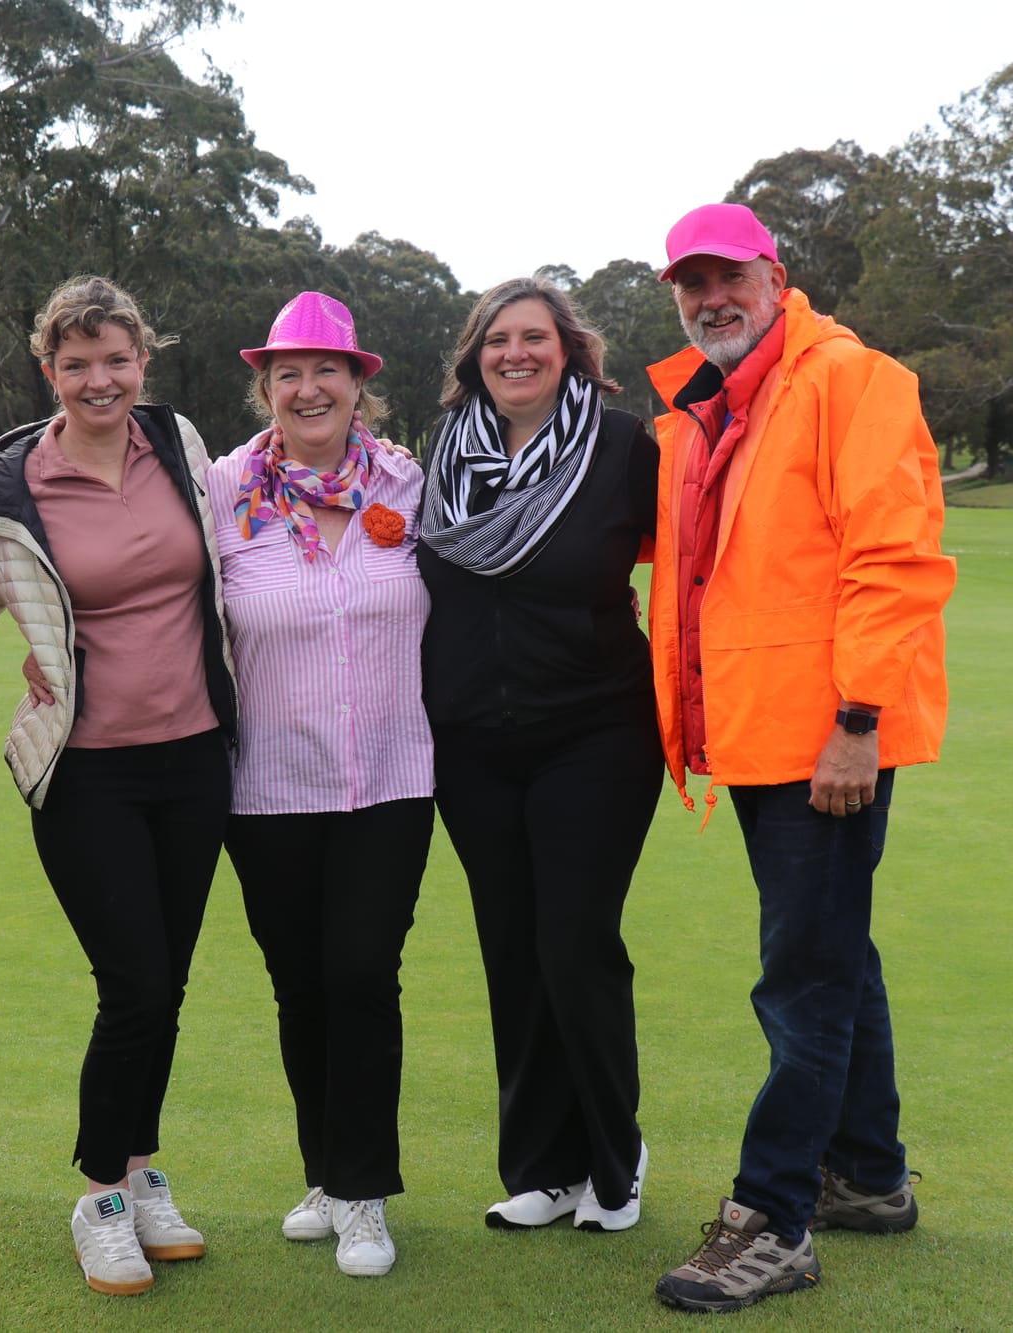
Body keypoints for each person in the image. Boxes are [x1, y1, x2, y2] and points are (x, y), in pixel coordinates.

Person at [643, 203, 955, 1314]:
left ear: (775, 278)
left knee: (804, 978)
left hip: (826, 734)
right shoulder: (703, 405)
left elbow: (893, 556)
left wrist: (857, 720)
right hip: (757, 730)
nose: (710, 298)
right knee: (833, 954)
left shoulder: (850, 380)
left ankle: (773, 1218)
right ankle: (866, 1175)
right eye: (690, 283)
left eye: (728, 276)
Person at [0, 275, 237, 1298]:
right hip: (86, 772)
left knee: (167, 986)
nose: (99, 379)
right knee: (135, 985)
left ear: (141, 361)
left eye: (116, 359)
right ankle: (100, 1197)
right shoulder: (7, 485)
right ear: (50, 371)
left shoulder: (179, 443)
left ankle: (141, 1171)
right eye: (76, 363)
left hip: (195, 758)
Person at [416, 278, 661, 1235]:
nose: (514, 353)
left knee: (574, 941)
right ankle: (543, 1168)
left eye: (534, 338)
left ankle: (614, 1158)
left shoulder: (622, 446)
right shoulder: (443, 453)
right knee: (512, 948)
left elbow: (692, 563)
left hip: (595, 733)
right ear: (474, 356)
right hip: (472, 743)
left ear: (570, 351)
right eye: (496, 340)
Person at [205, 292, 435, 1278]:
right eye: (287, 373)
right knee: (300, 986)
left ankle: (365, 1190)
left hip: (392, 774)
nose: (308, 388)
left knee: (361, 975)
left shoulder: (407, 482)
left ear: (358, 384)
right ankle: (326, 1175)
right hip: (267, 784)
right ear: (266, 388)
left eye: (326, 370)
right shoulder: (220, 490)